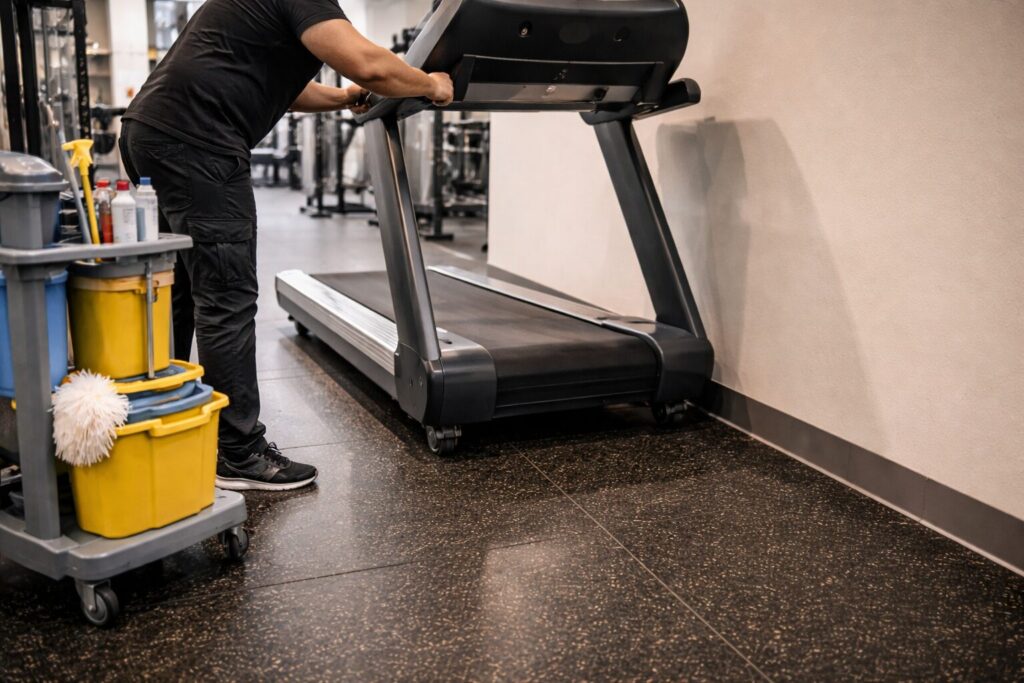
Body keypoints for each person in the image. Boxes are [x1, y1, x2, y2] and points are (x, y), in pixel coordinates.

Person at [119, 0, 453, 491]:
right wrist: (432, 85)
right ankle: (237, 453)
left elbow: (287, 89)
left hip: (152, 131)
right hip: (199, 141)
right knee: (226, 295)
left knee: (186, 289)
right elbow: (369, 63)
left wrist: (342, 100)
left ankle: (166, 418)